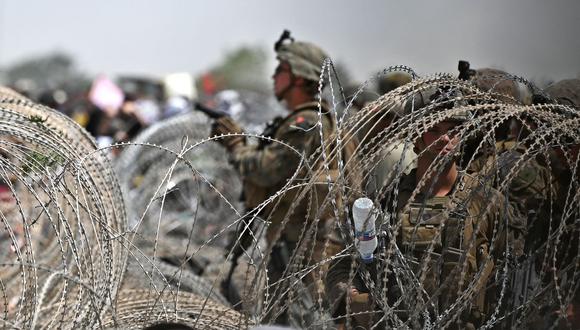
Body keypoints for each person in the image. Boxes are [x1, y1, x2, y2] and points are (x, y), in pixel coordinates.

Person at [325, 85, 525, 329]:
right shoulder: (386, 202)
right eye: (435, 129)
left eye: (454, 129)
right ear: (418, 135)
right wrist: (354, 300)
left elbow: (512, 272)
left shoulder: (487, 202)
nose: (446, 138)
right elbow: (343, 267)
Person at [211, 30, 357, 325]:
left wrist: (235, 144)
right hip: (294, 236)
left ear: (300, 77)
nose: (274, 76)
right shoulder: (310, 119)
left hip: (299, 239)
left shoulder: (306, 122)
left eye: (281, 69)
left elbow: (268, 170)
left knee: (295, 316)